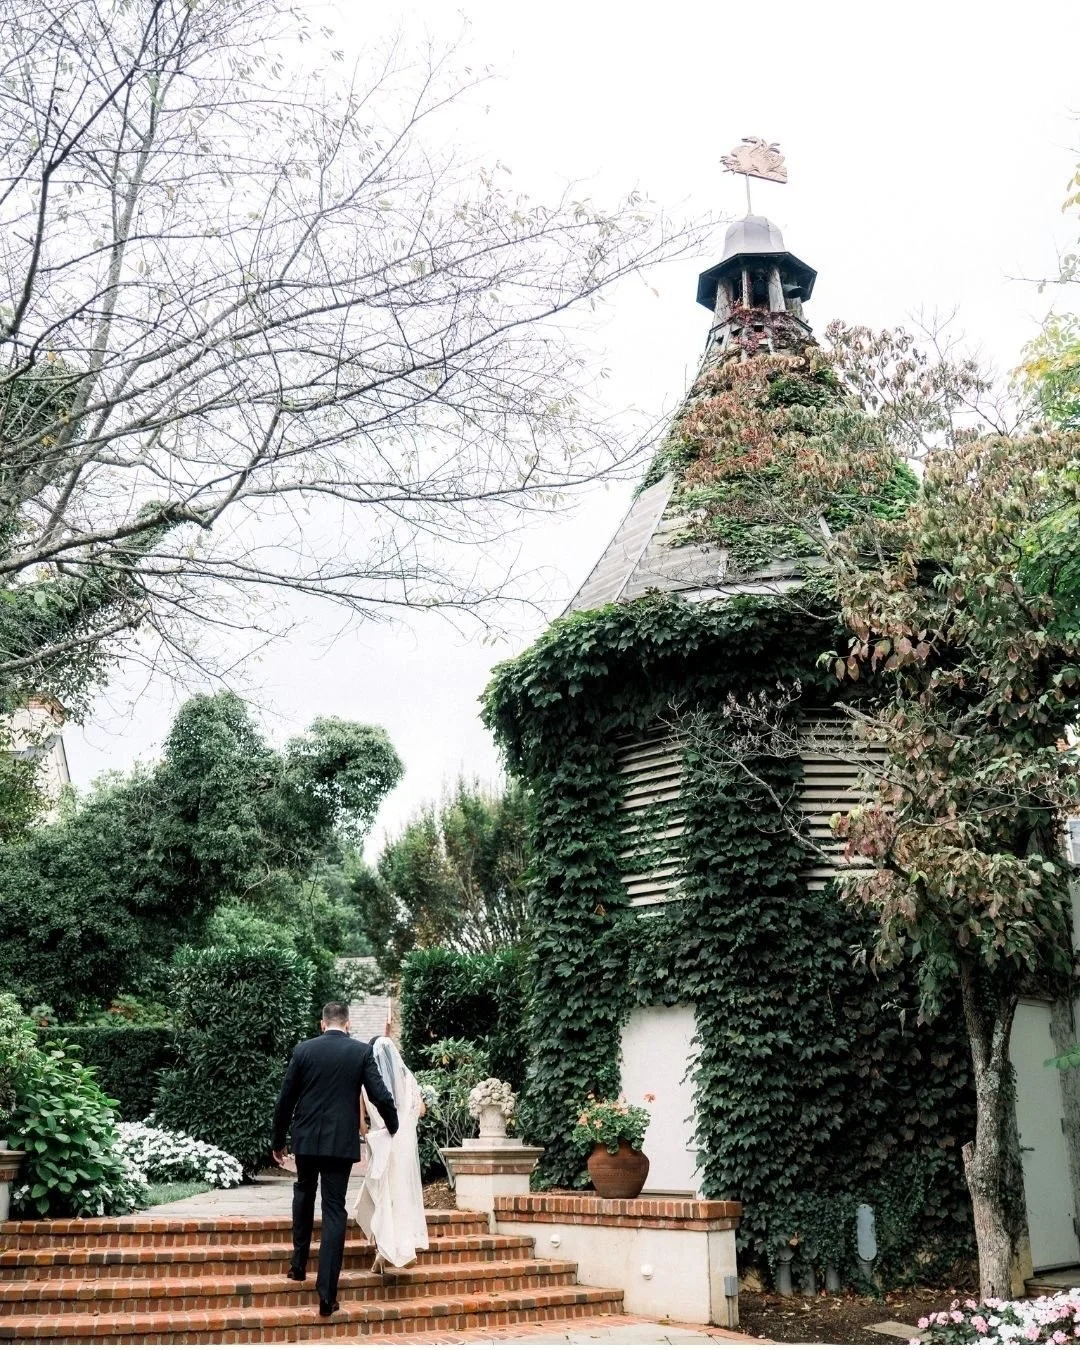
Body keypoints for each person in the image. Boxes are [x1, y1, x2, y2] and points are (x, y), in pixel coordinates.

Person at [271, 1002, 399, 1318]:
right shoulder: (359, 1052)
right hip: (340, 1142)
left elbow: (285, 1099)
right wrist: (394, 1126)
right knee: (333, 1209)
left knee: (303, 1193)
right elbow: (380, 1095)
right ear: (348, 1023)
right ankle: (327, 1294)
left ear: (322, 1024)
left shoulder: (303, 1050)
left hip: (306, 1138)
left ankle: (298, 1265)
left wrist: (277, 1142)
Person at [352, 1035, 429, 1272]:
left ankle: (381, 1249)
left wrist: (369, 1131)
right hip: (403, 1146)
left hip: (381, 1143)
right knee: (401, 1194)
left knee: (381, 1195)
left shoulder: (366, 1083)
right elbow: (422, 1110)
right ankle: (405, 1247)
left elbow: (361, 1123)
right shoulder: (408, 1081)